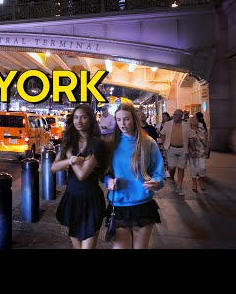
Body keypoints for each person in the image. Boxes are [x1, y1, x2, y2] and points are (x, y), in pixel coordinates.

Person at [102, 102, 165, 249]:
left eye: (126, 119)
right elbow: (105, 173)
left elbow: (159, 173)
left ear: (134, 119)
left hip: (142, 205)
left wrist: (155, 182)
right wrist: (108, 181)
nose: (122, 124)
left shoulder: (148, 143)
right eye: (118, 120)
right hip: (118, 205)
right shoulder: (111, 144)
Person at [51, 103, 108, 249]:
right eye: (76, 117)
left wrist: (70, 155)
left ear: (91, 120)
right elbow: (53, 167)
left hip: (91, 199)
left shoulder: (97, 143)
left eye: (83, 117)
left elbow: (82, 175)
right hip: (72, 198)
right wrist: (70, 160)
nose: (79, 121)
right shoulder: (69, 143)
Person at [159, 109, 195, 196]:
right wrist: (164, 144)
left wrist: (193, 149)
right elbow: (162, 134)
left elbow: (191, 137)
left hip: (183, 149)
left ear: (181, 116)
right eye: (174, 114)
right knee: (171, 167)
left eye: (178, 115)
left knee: (181, 168)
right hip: (171, 148)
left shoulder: (186, 125)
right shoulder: (168, 124)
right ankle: (171, 179)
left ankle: (179, 186)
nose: (176, 116)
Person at [188, 116, 209, 192]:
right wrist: (190, 151)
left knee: (202, 167)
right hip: (193, 152)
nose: (195, 121)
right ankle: (194, 183)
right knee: (194, 168)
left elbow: (206, 139)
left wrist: (207, 148)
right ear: (190, 121)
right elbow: (186, 142)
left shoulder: (202, 129)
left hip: (202, 151)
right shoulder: (188, 131)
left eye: (196, 119)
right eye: (193, 119)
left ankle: (201, 181)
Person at [154, 112, 171, 178]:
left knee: (168, 158)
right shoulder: (160, 124)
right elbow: (157, 133)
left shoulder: (170, 124)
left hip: (169, 143)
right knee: (163, 157)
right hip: (160, 143)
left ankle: (168, 171)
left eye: (165, 116)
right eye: (163, 116)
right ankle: (165, 171)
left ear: (168, 117)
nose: (163, 117)